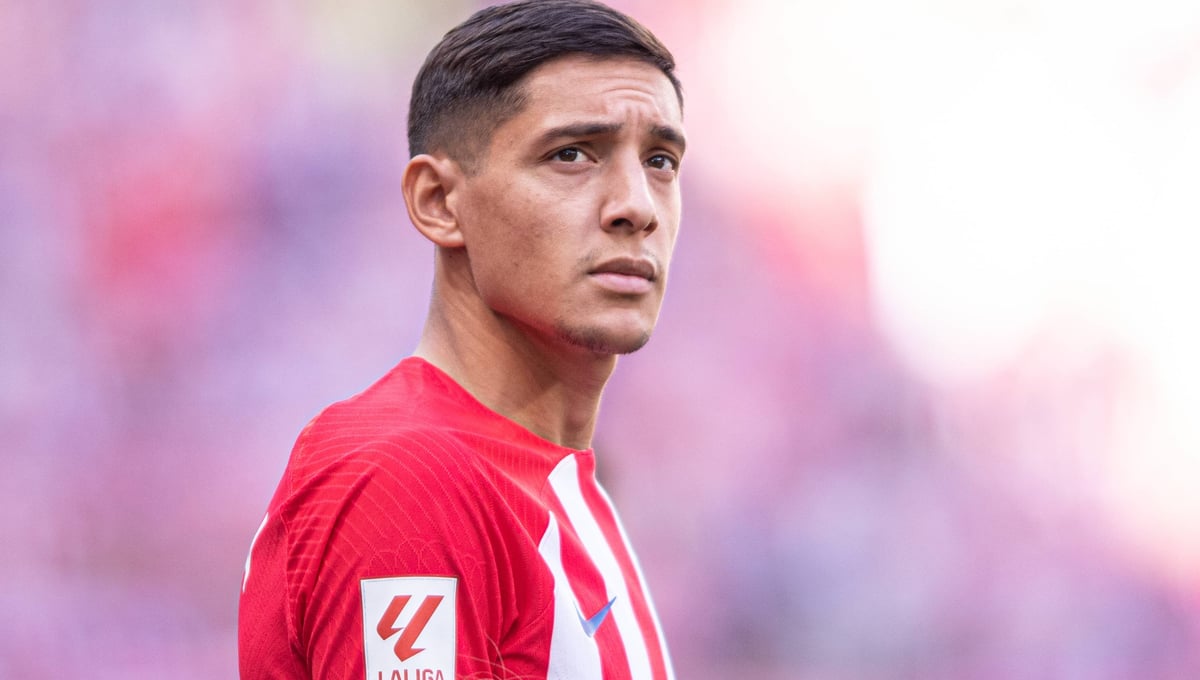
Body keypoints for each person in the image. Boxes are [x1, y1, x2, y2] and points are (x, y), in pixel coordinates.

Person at [238, 0, 686, 677]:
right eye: (571, 154)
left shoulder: (557, 482)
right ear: (439, 202)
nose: (637, 206)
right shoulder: (408, 478)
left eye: (660, 161)